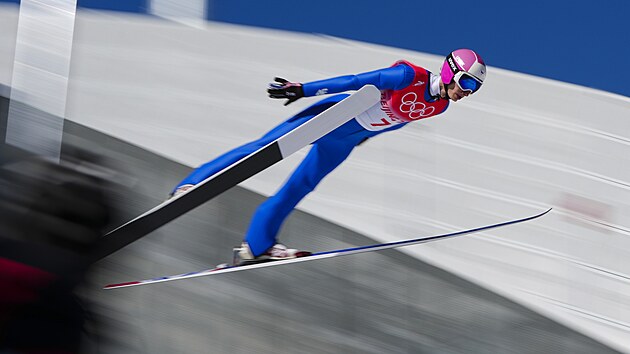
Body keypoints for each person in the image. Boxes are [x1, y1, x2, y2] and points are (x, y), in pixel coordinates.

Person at [171, 49, 487, 265]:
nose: (467, 92)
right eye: (468, 82)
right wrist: (303, 89)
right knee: (264, 147)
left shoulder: (439, 106)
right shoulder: (409, 76)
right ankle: (191, 183)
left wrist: (364, 137)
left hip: (347, 139)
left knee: (300, 186)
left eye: (474, 88)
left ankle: (256, 246)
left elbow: (395, 121)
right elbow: (355, 81)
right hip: (333, 116)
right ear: (450, 70)